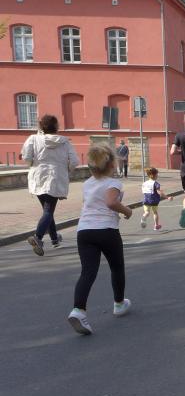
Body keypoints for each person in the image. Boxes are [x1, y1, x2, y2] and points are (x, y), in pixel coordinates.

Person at [67, 143, 133, 335]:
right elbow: (111, 202)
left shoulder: (87, 184)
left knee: (87, 272)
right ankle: (119, 304)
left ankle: (78, 310)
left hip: (84, 231)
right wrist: (127, 211)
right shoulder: (113, 183)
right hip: (106, 230)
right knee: (116, 267)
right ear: (112, 164)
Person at [21, 114, 79, 256]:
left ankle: (54, 239)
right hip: (55, 177)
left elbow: (26, 157)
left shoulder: (33, 139)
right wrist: (66, 169)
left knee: (47, 210)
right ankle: (38, 237)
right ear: (56, 126)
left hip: (38, 176)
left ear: (41, 126)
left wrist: (33, 164)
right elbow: (74, 161)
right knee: (48, 210)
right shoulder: (64, 142)